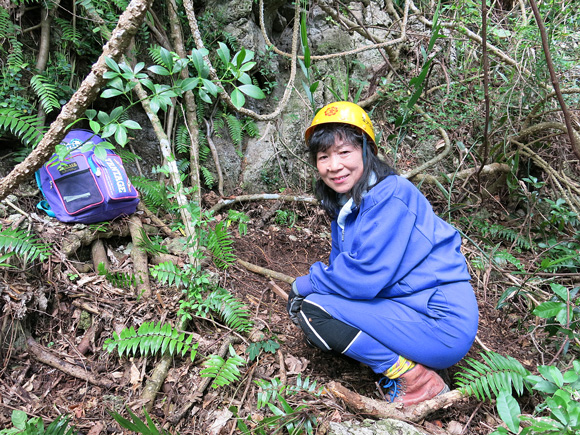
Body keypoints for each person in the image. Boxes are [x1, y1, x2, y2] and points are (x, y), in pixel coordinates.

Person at [287, 101, 479, 406]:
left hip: (440, 321)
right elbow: (344, 270)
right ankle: (405, 367)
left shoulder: (392, 195)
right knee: (314, 313)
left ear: (367, 151)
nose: (333, 166)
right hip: (413, 312)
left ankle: (415, 380)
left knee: (312, 310)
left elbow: (362, 279)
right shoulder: (350, 209)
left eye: (344, 152)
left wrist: (305, 283)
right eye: (324, 157)